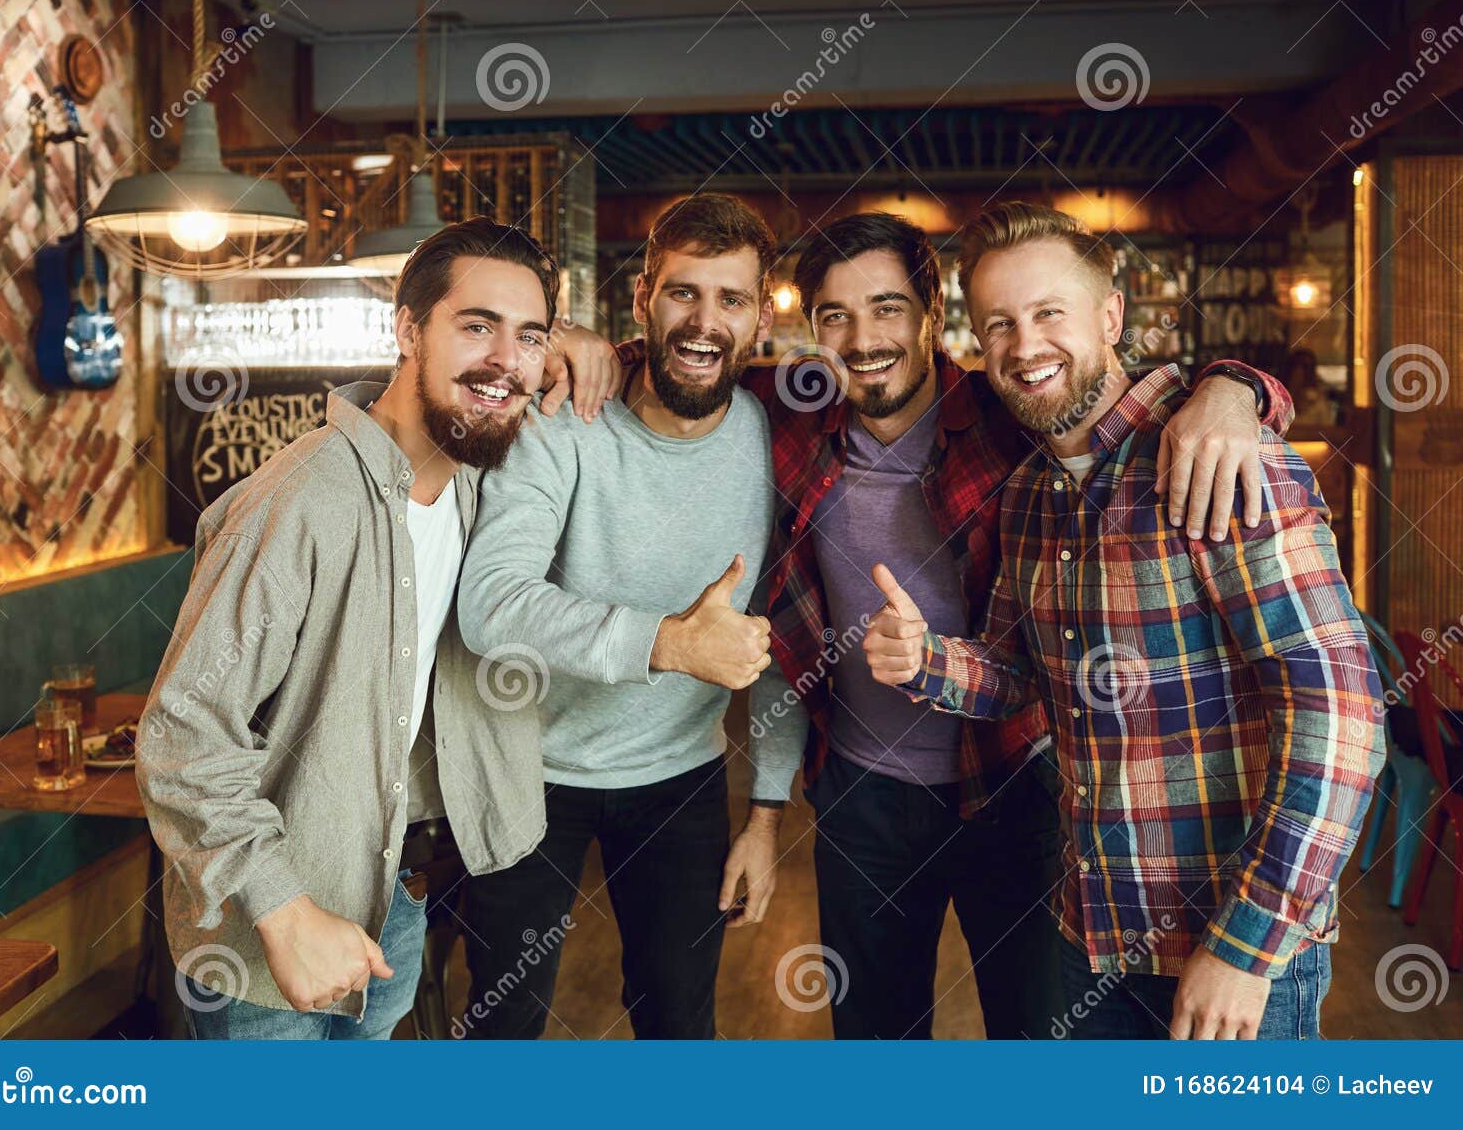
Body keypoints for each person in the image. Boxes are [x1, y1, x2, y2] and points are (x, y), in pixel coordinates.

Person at [550, 209, 1291, 1040]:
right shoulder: (793, 416)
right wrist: (580, 347)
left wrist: (1238, 388)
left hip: (1016, 787)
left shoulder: (1014, 413)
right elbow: (688, 362)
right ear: (806, 327)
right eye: (835, 315)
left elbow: (1117, 390)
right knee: (875, 1041)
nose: (863, 337)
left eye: (887, 308)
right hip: (860, 798)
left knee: (1035, 1042)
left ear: (933, 311)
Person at [868, 201, 1384, 1039]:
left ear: (1111, 316)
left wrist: (1248, 944)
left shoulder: (1223, 459)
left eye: (1048, 313)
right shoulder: (1033, 492)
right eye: (998, 323)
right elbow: (1021, 674)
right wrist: (927, 660)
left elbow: (1344, 714)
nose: (1024, 345)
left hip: (1225, 949)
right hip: (1091, 932)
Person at [137, 217, 566, 1039]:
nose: (506, 360)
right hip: (267, 926)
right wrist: (284, 908)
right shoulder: (304, 498)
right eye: (476, 326)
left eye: (530, 337)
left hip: (394, 891)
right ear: (406, 329)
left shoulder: (481, 491)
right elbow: (181, 731)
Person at [456, 193, 807, 1039]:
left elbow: (780, 641)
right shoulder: (562, 419)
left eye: (730, 299)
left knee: (679, 1024)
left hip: (678, 779)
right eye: (684, 292)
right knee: (501, 1028)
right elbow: (490, 601)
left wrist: (766, 814)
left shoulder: (776, 439)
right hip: (525, 769)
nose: (704, 320)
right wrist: (667, 642)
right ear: (644, 293)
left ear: (761, 318)